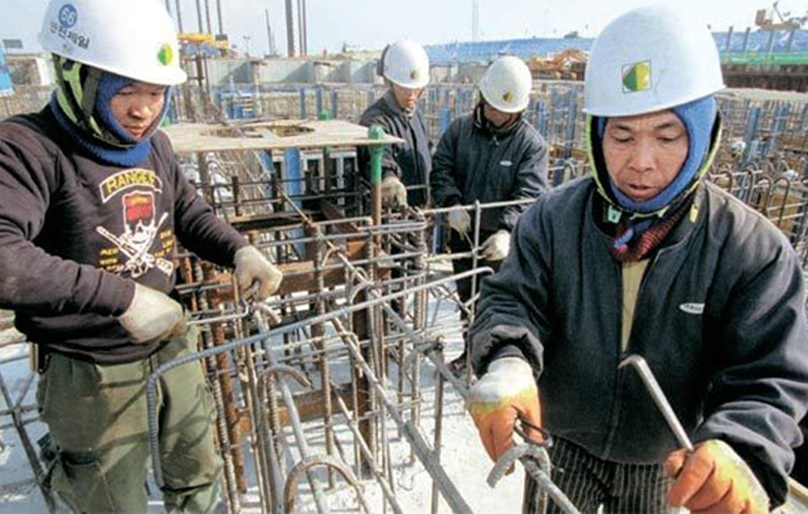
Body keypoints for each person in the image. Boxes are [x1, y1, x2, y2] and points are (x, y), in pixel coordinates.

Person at [467, 6, 808, 513]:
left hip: (664, 459)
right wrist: (508, 358)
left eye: (668, 136)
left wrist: (743, 447)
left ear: (703, 134)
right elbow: (513, 299)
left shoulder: (751, 251)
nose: (641, 161)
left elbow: (770, 376)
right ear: (596, 134)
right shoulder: (552, 221)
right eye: (621, 136)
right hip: (562, 442)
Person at [0, 0, 282, 511]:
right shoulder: (28, 149)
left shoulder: (155, 147)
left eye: (156, 93)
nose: (143, 110)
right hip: (91, 368)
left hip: (170, 343)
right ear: (76, 77)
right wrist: (122, 297)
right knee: (112, 499)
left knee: (197, 474)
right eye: (124, 90)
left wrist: (239, 250)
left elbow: (187, 212)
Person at [430, 56, 547, 376]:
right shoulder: (459, 132)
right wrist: (451, 203)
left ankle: (495, 364)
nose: (499, 115)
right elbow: (441, 169)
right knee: (467, 298)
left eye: (507, 111)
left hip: (500, 244)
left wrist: (508, 231)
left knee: (499, 303)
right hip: (463, 233)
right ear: (482, 98)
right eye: (494, 107)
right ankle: (470, 353)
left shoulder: (530, 145)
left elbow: (530, 194)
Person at [359, 39, 432, 208]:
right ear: (388, 82)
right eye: (405, 88)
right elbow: (378, 155)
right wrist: (389, 177)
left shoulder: (416, 115)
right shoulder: (375, 119)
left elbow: (428, 152)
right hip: (391, 216)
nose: (412, 95)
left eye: (417, 89)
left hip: (420, 213)